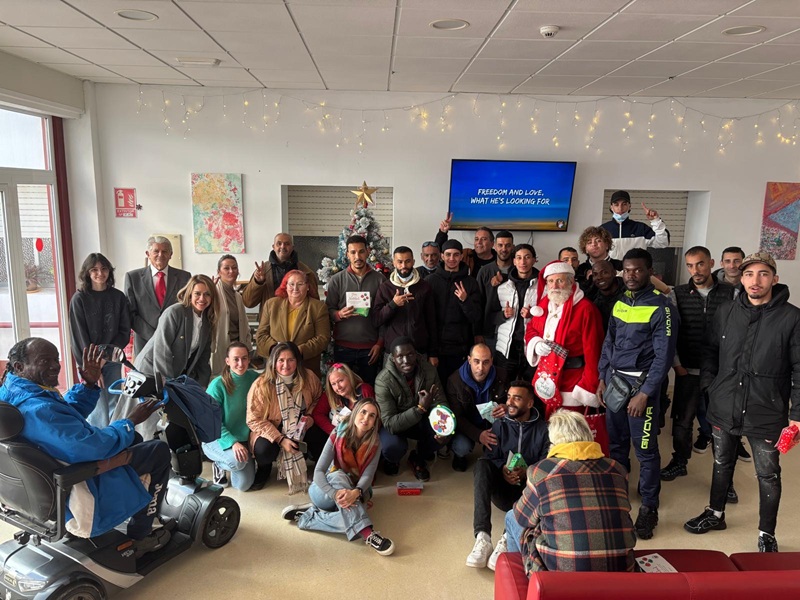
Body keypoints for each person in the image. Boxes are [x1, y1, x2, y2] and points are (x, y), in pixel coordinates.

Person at [0, 339, 170, 556]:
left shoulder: (15, 392)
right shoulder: (38, 408)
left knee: (133, 438)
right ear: (19, 367)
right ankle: (142, 534)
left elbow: (62, 417)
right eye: (45, 360)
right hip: (81, 482)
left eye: (56, 359)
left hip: (42, 482)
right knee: (158, 451)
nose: (55, 366)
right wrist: (129, 421)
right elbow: (92, 447)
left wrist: (88, 385)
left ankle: (134, 504)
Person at [685, 252, 800, 553]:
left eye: (763, 274)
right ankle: (715, 513)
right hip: (724, 404)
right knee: (722, 461)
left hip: (767, 409)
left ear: (774, 279)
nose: (755, 280)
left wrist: (797, 414)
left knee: (768, 473)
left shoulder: (792, 318)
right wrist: (710, 384)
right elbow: (709, 349)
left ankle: (767, 533)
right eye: (749, 274)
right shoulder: (726, 311)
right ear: (741, 278)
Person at [597, 248, 677, 540]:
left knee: (645, 451)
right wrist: (602, 378)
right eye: (627, 270)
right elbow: (609, 344)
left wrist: (645, 393)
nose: (631, 275)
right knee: (616, 447)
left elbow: (663, 356)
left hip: (642, 391)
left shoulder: (662, 307)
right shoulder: (619, 302)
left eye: (637, 270)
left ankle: (649, 508)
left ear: (649, 272)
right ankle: (619, 498)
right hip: (614, 385)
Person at [503, 410, 636, 575]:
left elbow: (521, 517)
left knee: (511, 517)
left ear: (553, 441)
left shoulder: (541, 471)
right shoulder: (617, 469)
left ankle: (520, 582)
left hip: (562, 580)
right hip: (621, 570)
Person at [660, 247, 735, 486]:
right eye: (690, 266)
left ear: (711, 263)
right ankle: (680, 461)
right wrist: (677, 364)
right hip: (687, 369)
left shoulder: (731, 293)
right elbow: (670, 332)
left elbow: (737, 332)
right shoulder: (678, 293)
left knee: (722, 425)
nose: (695, 270)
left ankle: (725, 478)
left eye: (700, 264)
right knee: (683, 422)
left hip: (720, 372)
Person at [282, 398, 395, 556]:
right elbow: (319, 472)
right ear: (355, 413)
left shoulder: (375, 443)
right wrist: (335, 493)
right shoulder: (337, 434)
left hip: (352, 495)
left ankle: (308, 517)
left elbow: (368, 475)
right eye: (363, 412)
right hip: (323, 491)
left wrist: (355, 492)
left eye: (372, 416)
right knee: (341, 477)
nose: (366, 418)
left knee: (349, 519)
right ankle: (369, 534)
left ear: (375, 421)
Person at [467, 381, 549, 571]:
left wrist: (527, 470)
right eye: (509, 397)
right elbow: (491, 455)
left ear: (530, 404)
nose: (510, 402)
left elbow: (546, 464)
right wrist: (502, 468)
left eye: (517, 398)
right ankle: (482, 536)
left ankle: (506, 537)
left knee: (540, 478)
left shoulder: (544, 429)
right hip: (502, 492)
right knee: (481, 465)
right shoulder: (500, 425)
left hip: (527, 497)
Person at [525, 261, 604, 420]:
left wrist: (588, 386)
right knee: (549, 425)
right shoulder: (544, 305)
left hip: (573, 379)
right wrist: (536, 342)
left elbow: (594, 351)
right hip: (547, 376)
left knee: (570, 427)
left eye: (560, 280)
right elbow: (531, 329)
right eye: (551, 281)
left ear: (571, 282)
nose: (555, 286)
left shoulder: (585, 309)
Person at [246, 341, 324, 492]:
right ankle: (264, 468)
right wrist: (280, 439)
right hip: (273, 427)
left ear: (297, 361)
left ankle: (318, 467)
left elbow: (318, 399)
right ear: (273, 362)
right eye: (281, 360)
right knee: (264, 450)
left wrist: (310, 417)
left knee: (321, 437)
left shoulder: (308, 377)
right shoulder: (261, 385)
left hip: (300, 425)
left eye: (291, 360)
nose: (286, 365)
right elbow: (253, 419)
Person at [69, 252, 131, 427]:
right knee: (95, 404)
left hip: (112, 359)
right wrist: (93, 366)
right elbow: (79, 335)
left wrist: (104, 359)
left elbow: (124, 332)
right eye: (94, 269)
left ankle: (114, 438)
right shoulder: (79, 299)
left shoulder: (118, 297)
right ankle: (97, 442)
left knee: (113, 400)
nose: (100, 273)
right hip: (88, 361)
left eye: (104, 269)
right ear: (87, 273)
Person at [374, 337, 448, 481]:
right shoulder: (383, 381)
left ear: (417, 354)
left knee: (443, 434)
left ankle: (418, 457)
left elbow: (441, 403)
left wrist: (444, 429)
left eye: (410, 354)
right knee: (392, 447)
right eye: (400, 356)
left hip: (421, 420)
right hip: (397, 424)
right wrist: (419, 409)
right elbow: (389, 423)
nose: (406, 360)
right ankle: (392, 460)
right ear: (393, 358)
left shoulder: (429, 370)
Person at [134, 274, 217, 387]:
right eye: (197, 293)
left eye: (207, 294)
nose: (202, 298)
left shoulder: (208, 320)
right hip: (150, 371)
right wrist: (168, 383)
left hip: (175, 375)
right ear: (189, 294)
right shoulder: (174, 312)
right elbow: (162, 350)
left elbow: (203, 357)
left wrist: (202, 386)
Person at [325, 235, 386, 385]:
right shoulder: (337, 280)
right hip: (343, 347)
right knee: (343, 390)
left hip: (370, 348)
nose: (357, 256)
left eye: (361, 251)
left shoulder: (380, 280)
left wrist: (379, 343)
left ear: (368, 252)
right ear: (347, 254)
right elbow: (328, 310)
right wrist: (338, 314)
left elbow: (385, 315)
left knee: (368, 389)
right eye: (352, 252)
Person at [203, 342, 258, 491]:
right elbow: (210, 422)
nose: (241, 364)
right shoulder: (217, 385)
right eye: (236, 359)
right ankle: (219, 464)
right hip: (216, 437)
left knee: (242, 486)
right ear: (227, 361)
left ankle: (234, 463)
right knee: (238, 462)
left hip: (243, 439)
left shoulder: (255, 378)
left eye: (244, 358)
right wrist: (232, 443)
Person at [255, 270, 330, 378]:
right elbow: (261, 335)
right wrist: (276, 350)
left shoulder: (318, 307)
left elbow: (323, 338)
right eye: (291, 284)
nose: (295, 288)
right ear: (285, 286)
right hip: (276, 368)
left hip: (306, 369)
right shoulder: (271, 305)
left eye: (300, 284)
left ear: (307, 287)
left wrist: (298, 351)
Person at [426, 239, 482, 384]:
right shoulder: (430, 281)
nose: (452, 259)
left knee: (459, 389)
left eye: (456, 255)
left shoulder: (470, 283)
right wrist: (431, 351)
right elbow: (426, 318)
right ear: (442, 256)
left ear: (461, 256)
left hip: (461, 349)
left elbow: (475, 316)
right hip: (436, 349)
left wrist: (465, 300)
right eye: (448, 255)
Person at [446, 344, 508, 472]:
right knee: (462, 446)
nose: (481, 368)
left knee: (504, 440)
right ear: (469, 360)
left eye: (486, 362)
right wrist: (478, 435)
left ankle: (493, 454)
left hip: (492, 422)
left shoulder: (502, 376)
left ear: (491, 361)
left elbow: (512, 401)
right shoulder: (454, 381)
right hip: (466, 424)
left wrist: (506, 407)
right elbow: (456, 417)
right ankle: (459, 456)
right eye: (476, 361)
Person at [125, 235, 191, 354]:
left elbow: (187, 308)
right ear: (148, 253)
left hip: (174, 341)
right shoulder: (133, 277)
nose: (160, 255)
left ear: (171, 254)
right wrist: (154, 336)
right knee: (146, 373)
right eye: (156, 251)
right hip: (145, 342)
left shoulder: (184, 277)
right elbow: (130, 313)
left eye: (165, 251)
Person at [373, 246, 438, 363]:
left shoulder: (424, 287)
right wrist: (393, 304)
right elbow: (376, 319)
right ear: (394, 263)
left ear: (413, 262)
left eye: (407, 261)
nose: (404, 266)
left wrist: (433, 353)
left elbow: (431, 322)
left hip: (418, 350)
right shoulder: (385, 288)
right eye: (400, 262)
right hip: (393, 352)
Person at [242, 232, 320, 319]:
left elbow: (315, 304)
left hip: (300, 323)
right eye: (279, 243)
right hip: (271, 323)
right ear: (273, 247)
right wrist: (258, 282)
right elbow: (248, 302)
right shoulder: (262, 271)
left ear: (292, 247)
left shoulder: (306, 272)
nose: (282, 246)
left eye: (287, 244)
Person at [493, 244, 539, 387]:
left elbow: (551, 316)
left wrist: (533, 314)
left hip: (532, 348)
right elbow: (490, 317)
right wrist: (503, 315)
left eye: (527, 257)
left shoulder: (543, 287)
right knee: (503, 388)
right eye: (519, 258)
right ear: (513, 261)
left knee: (530, 389)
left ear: (534, 260)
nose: (523, 262)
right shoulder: (502, 288)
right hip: (507, 348)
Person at [210, 254, 253, 377]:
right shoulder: (213, 293)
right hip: (221, 349)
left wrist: (248, 347)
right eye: (226, 268)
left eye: (234, 268)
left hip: (237, 350)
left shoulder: (238, 296)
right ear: (219, 272)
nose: (231, 271)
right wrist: (209, 291)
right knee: (220, 383)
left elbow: (244, 324)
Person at [600, 190, 669, 261]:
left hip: (635, 271)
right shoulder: (602, 230)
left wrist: (656, 221)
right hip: (610, 271)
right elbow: (595, 253)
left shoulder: (641, 228)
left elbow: (662, 242)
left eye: (624, 204)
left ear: (629, 206)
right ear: (611, 207)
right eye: (616, 204)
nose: (620, 208)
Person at [475, 231, 515, 349]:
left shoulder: (519, 270)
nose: (504, 249)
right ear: (495, 246)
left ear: (512, 247)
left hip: (512, 330)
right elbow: (478, 303)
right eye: (500, 245)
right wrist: (477, 332)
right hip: (489, 331)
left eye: (508, 245)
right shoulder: (485, 271)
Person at [312, 362, 375, 435]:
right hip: (337, 436)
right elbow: (317, 414)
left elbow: (374, 419)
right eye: (333, 384)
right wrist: (335, 432)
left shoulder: (365, 390)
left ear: (350, 377)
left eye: (340, 381)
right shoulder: (330, 394)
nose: (338, 387)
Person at [435, 212, 497, 276]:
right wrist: (443, 232)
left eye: (484, 239)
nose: (479, 242)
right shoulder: (466, 255)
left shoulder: (499, 260)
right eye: (476, 239)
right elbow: (437, 255)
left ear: (492, 243)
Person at [575, 226, 623, 298]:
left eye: (598, 241)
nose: (594, 244)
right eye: (589, 242)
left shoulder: (620, 266)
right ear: (586, 249)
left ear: (607, 245)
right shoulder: (580, 270)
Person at [590, 260, 625, 333]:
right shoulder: (592, 300)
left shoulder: (629, 294)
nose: (599, 277)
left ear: (614, 273)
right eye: (595, 274)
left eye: (604, 272)